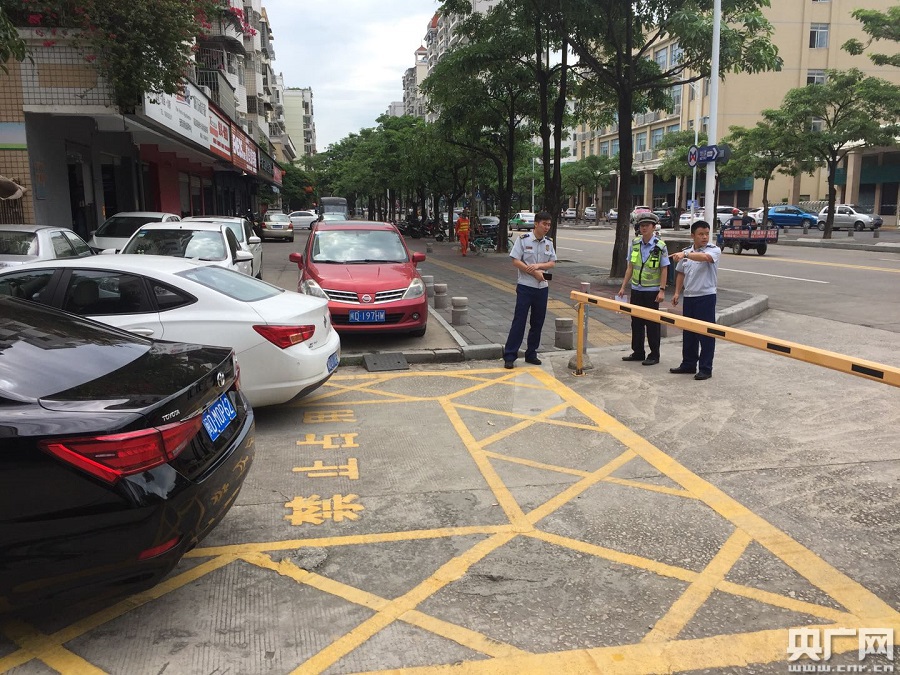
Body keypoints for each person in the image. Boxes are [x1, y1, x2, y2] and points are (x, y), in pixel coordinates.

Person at [503, 211, 557, 369]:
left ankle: (531, 353)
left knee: (537, 322)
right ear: (536, 224)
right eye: (544, 224)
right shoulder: (523, 240)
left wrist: (539, 266)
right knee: (519, 321)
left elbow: (552, 262)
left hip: (542, 288)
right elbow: (515, 261)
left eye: (549, 224)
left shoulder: (548, 242)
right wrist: (534, 272)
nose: (547, 227)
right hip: (526, 287)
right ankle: (510, 355)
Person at [669, 220, 721, 381]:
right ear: (693, 236)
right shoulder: (687, 252)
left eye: (707, 234)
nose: (704, 237)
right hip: (690, 297)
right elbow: (681, 273)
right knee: (689, 333)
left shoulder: (713, 250)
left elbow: (705, 258)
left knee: (706, 334)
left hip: (706, 297)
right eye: (701, 234)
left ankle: (705, 368)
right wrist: (677, 293)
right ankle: (688, 364)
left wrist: (685, 255)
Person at [617, 211, 669, 366]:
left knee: (652, 324)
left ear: (653, 227)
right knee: (636, 322)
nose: (644, 228)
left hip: (652, 291)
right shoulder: (635, 244)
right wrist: (623, 286)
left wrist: (662, 290)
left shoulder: (660, 246)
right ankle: (638, 352)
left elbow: (664, 269)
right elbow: (630, 267)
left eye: (647, 225)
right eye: (641, 225)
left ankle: (654, 354)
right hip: (636, 290)